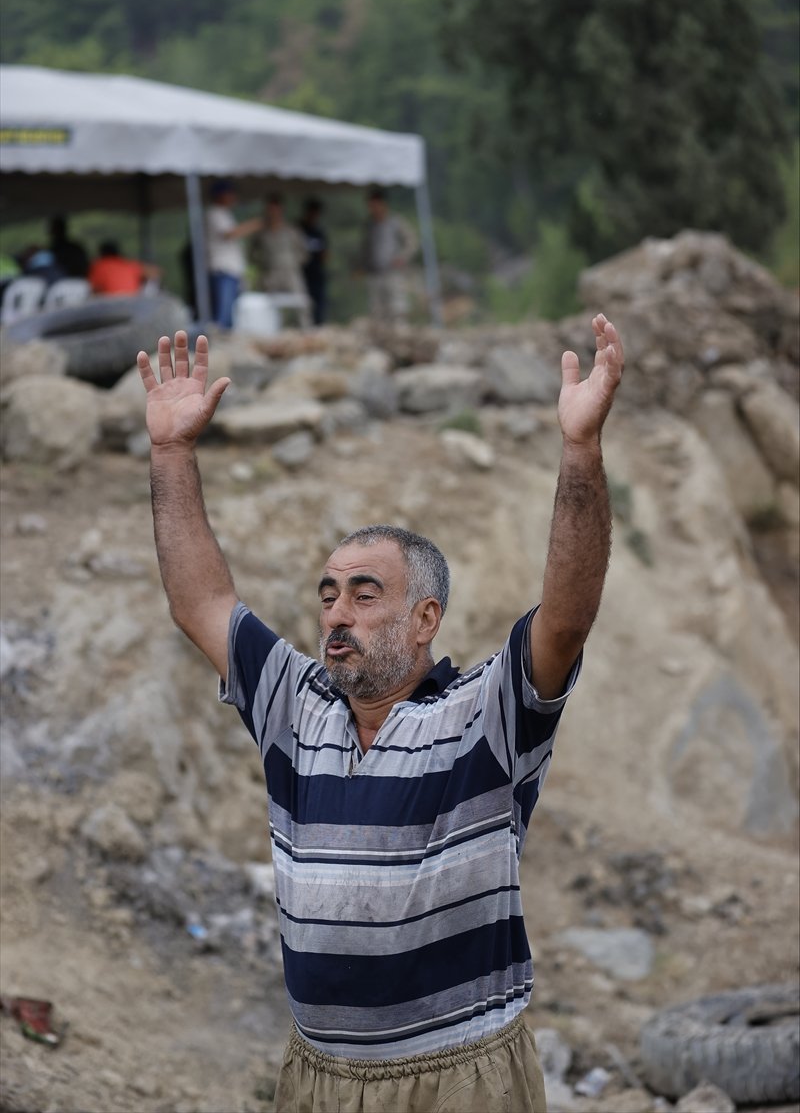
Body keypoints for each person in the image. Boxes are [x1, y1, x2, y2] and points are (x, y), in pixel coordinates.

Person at [136, 314, 624, 1113]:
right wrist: (170, 454)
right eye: (328, 594)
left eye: (365, 595)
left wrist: (580, 450)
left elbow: (566, 620)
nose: (337, 614)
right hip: (318, 1079)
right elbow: (201, 602)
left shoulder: (485, 716)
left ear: (426, 619)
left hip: (461, 1081)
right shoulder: (295, 706)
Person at [205, 180, 262, 330]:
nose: (233, 197)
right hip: (223, 270)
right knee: (223, 314)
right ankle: (218, 338)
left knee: (231, 313)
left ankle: (225, 336)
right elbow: (229, 233)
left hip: (232, 270)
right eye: (229, 194)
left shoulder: (225, 213)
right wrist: (254, 224)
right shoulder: (214, 213)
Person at [360, 186, 418, 328]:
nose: (373, 209)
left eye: (375, 205)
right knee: (377, 311)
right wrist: (363, 266)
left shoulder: (396, 222)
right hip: (375, 273)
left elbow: (412, 241)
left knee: (397, 309)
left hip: (393, 273)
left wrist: (402, 257)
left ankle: (401, 334)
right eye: (370, 206)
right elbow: (365, 248)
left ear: (383, 204)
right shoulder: (369, 225)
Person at [88, 240, 161, 295]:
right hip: (132, 300)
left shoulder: (98, 266)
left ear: (101, 253)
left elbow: (93, 287)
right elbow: (155, 272)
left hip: (110, 302)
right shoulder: (128, 264)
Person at [297, 197, 328, 326]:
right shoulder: (298, 230)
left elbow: (325, 254)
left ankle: (318, 325)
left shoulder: (319, 232)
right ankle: (304, 325)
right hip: (302, 273)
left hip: (317, 273)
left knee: (318, 303)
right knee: (303, 302)